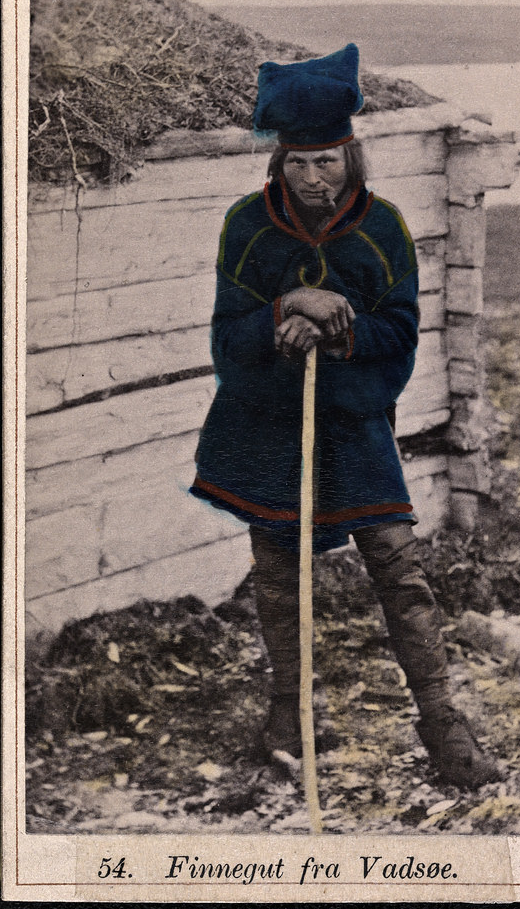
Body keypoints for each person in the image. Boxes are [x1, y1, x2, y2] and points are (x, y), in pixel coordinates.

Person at [191, 44, 503, 789]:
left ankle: (442, 728)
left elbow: (399, 336)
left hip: (353, 427)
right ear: (279, 164)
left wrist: (339, 327)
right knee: (277, 573)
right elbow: (226, 341)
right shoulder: (247, 226)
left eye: (327, 161)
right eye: (297, 163)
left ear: (351, 156)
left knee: (397, 568)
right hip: (266, 428)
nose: (312, 179)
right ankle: (289, 714)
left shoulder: (383, 229)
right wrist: (281, 313)